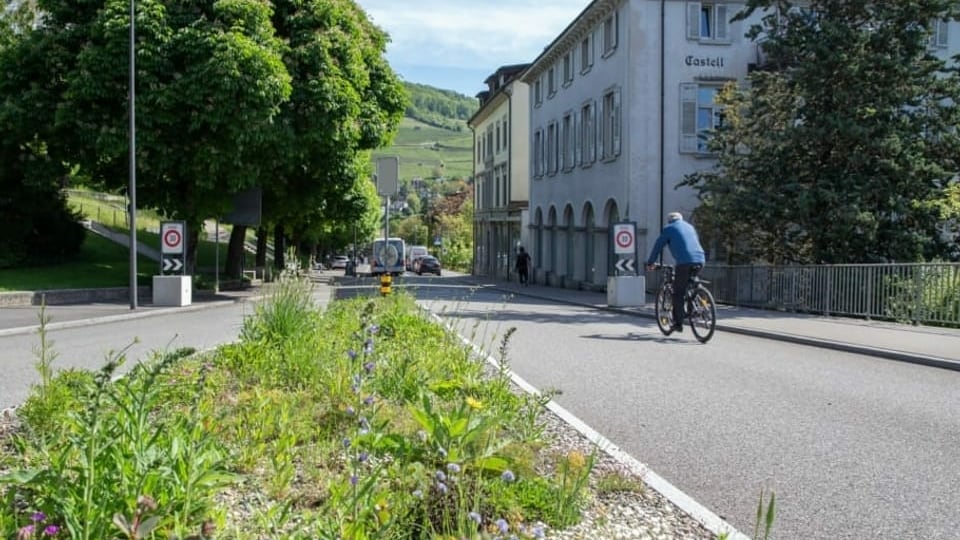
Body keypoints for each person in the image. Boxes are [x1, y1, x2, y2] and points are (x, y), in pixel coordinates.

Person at [645, 212, 706, 332]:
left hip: (684, 262)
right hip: (700, 259)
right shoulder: (690, 227)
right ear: (681, 219)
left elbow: (658, 246)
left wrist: (650, 262)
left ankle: (678, 324)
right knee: (692, 284)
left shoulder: (669, 229)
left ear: (669, 221)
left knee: (678, 293)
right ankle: (696, 307)